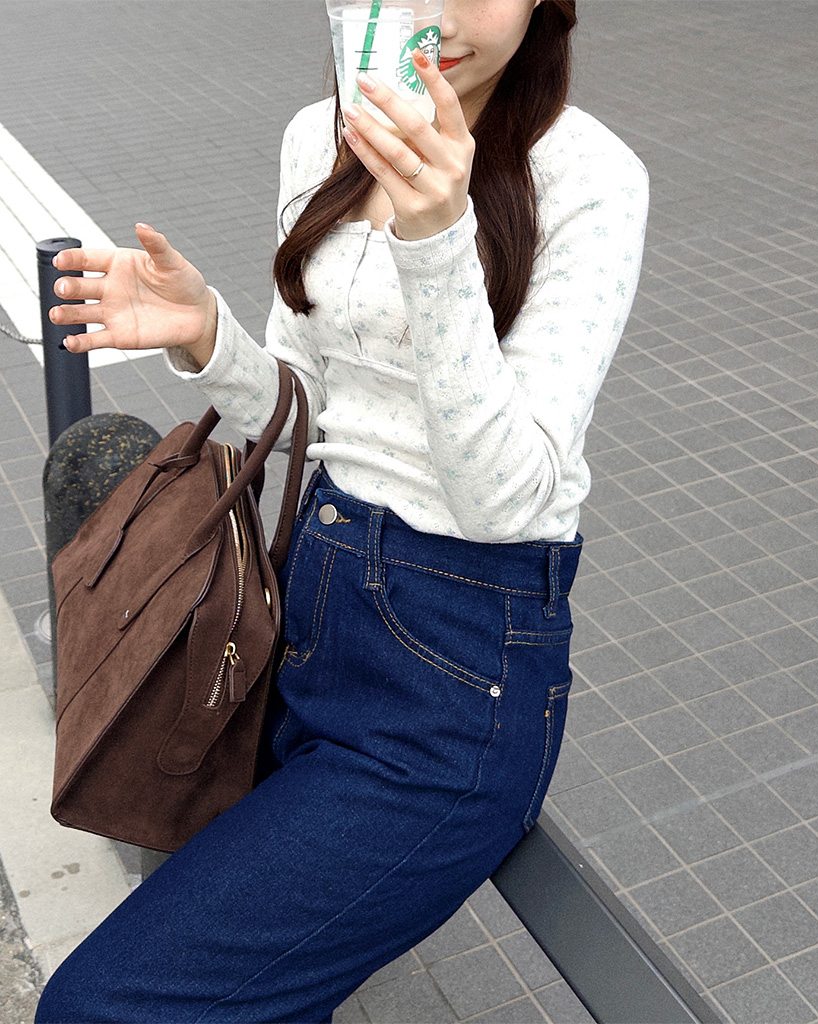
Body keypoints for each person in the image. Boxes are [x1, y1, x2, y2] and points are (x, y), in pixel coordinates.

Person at [36, 1, 648, 1020]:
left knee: (105, 1004)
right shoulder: (318, 138)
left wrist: (437, 240)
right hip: (300, 616)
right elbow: (312, 416)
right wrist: (208, 338)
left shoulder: (588, 176)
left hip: (451, 683)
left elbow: (506, 497)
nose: (439, 11)